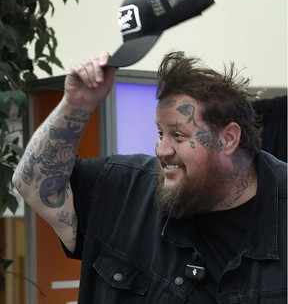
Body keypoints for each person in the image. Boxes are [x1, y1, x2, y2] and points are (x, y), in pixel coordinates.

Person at [12, 51, 287, 303]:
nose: (161, 149)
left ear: (227, 139)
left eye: (178, 135)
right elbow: (33, 182)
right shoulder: (125, 190)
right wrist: (76, 103)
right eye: (160, 133)